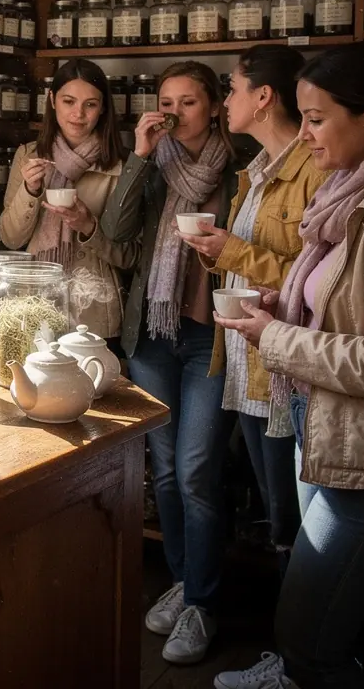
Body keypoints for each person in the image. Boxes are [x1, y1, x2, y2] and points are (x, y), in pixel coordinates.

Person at [214, 43, 364, 689]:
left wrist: (276, 338)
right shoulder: (348, 190)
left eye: (316, 119)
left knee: (307, 636)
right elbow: (333, 300)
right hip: (323, 419)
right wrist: (281, 304)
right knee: (339, 629)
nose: (306, 134)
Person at [100, 60, 238, 665]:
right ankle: (184, 584)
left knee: (196, 472)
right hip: (153, 336)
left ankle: (204, 603)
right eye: (167, 101)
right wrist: (137, 155)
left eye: (188, 102)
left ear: (213, 106)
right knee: (163, 468)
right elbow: (116, 228)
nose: (176, 112)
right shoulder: (154, 165)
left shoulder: (240, 168)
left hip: (210, 340)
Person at [178, 47, 324, 584]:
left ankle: (300, 660)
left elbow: (317, 279)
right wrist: (218, 252)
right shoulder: (256, 171)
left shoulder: (313, 171)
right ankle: (291, 653)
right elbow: (250, 266)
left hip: (282, 371)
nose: (225, 102)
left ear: (263, 98)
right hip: (246, 363)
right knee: (279, 516)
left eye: (233, 89)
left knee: (294, 521)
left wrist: (232, 252)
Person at [0, 58, 135, 338]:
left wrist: (89, 227)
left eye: (90, 104)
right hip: (36, 306)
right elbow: (10, 239)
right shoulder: (28, 156)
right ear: (52, 100)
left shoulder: (123, 167)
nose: (78, 114)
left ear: (103, 108)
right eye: (68, 101)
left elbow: (132, 256)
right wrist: (30, 191)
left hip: (95, 313)